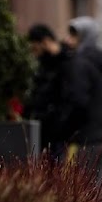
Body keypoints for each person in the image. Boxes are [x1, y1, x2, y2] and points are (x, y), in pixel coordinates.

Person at [64, 17, 102, 184]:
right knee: (97, 189)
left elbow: (79, 100)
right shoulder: (101, 63)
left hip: (86, 136)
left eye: (74, 36)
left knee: (83, 190)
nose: (69, 41)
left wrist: (68, 129)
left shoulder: (81, 63)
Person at [24, 23, 75, 160]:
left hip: (56, 132)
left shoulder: (66, 61)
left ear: (45, 42)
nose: (33, 52)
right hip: (40, 129)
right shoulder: (40, 64)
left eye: (35, 47)